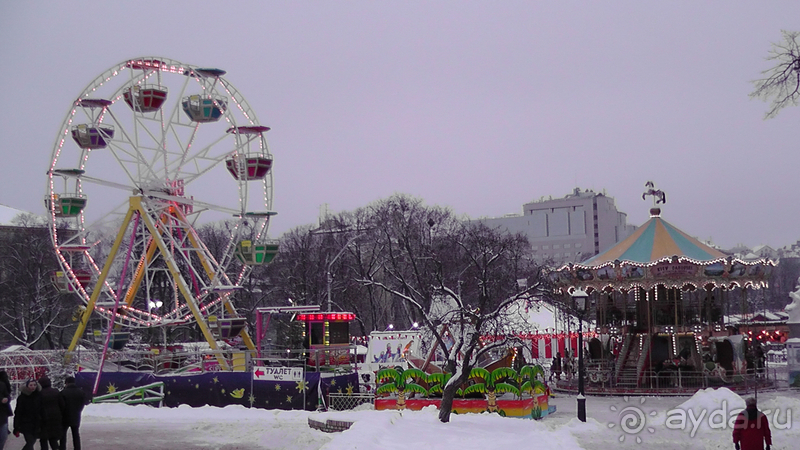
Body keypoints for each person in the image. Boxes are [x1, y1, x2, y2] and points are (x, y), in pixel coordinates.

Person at [60, 376, 87, 450]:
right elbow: (84, 402)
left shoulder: (63, 392)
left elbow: (61, 404)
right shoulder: (80, 392)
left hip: (65, 416)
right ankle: (77, 448)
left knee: (63, 435)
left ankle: (62, 448)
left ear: (66, 383)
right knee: (75, 434)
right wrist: (78, 410)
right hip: (76, 416)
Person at [38, 376, 65, 450]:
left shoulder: (39, 394)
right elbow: (62, 405)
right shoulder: (56, 392)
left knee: (43, 439)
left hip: (43, 419)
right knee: (53, 438)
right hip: (55, 418)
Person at [13, 379, 41, 450]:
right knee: (30, 442)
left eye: (34, 385)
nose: (33, 387)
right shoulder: (22, 397)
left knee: (32, 442)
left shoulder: (39, 396)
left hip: (36, 423)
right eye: (31, 385)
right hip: (26, 424)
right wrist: (16, 426)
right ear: (27, 386)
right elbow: (18, 412)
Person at [0, 371, 12, 449]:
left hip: (2, 414)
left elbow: (7, 395)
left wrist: (7, 399)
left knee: (3, 437)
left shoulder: (2, 385)